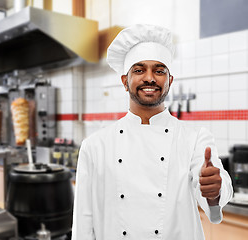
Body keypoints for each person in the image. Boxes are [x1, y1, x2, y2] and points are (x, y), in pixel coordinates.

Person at [71, 24, 233, 240]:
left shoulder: (195, 138)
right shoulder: (95, 146)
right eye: (139, 70)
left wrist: (214, 191)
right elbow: (83, 221)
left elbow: (214, 192)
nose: (150, 78)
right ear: (124, 82)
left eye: (159, 70)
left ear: (169, 81)